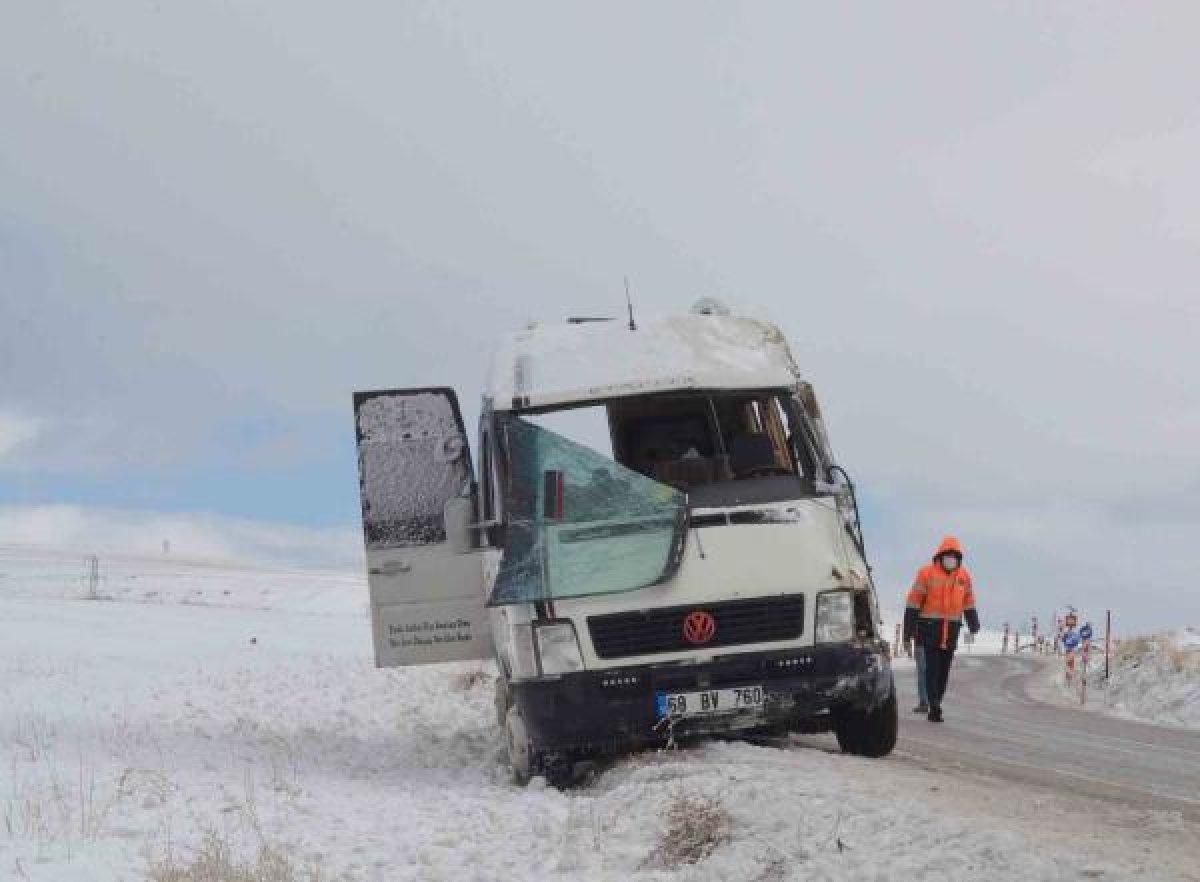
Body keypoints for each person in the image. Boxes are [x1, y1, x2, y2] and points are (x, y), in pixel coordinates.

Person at [903, 536, 980, 723]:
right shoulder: (926, 574)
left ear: (959, 559)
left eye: (955, 556)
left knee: (944, 671)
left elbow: (968, 602)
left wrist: (973, 622)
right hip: (929, 631)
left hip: (951, 633)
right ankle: (934, 705)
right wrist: (908, 632)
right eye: (948, 555)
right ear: (941, 556)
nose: (951, 559)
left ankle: (937, 700)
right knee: (931, 669)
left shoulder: (964, 577)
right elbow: (913, 604)